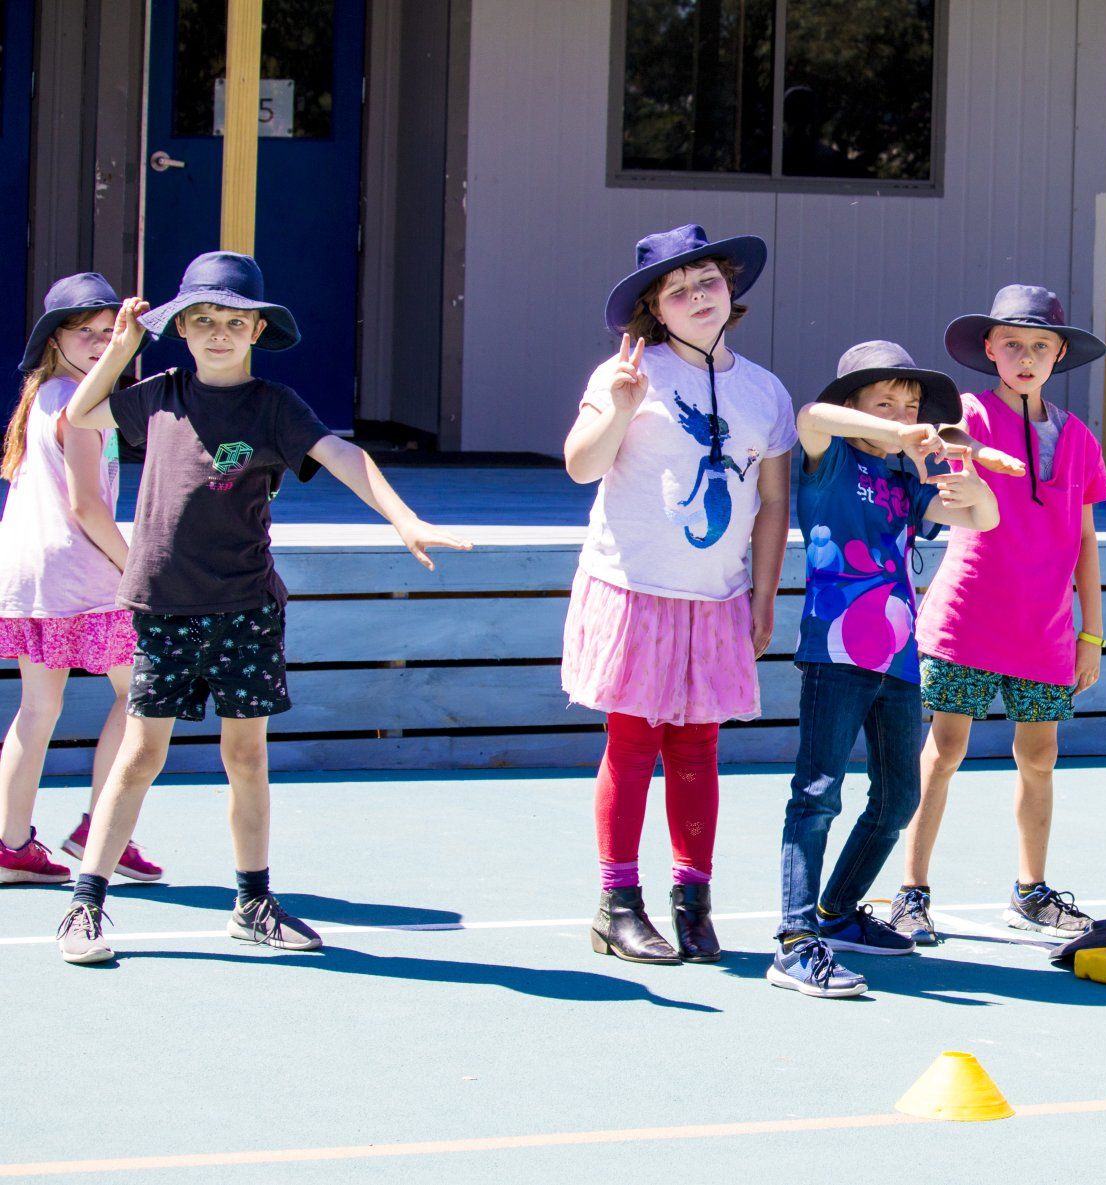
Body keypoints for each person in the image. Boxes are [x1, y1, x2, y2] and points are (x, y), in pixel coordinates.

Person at [53, 252, 470, 965]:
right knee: (141, 753)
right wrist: (122, 347)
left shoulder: (276, 407)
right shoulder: (159, 394)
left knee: (245, 755)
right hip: (163, 610)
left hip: (245, 613)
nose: (219, 332)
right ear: (182, 328)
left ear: (256, 331)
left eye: (234, 321)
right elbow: (80, 415)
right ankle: (85, 903)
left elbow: (344, 456)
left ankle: (252, 903)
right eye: (203, 320)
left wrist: (403, 518)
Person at [563, 224, 794, 966]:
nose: (698, 297)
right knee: (632, 745)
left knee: (698, 749)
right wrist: (619, 407)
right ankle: (617, 906)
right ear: (655, 309)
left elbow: (773, 501)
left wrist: (763, 594)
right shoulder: (626, 372)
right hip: (634, 588)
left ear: (731, 290)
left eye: (708, 282)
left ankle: (693, 905)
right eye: (677, 290)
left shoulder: (765, 391)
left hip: (718, 597)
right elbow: (580, 465)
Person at [770, 341, 1000, 998]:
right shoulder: (830, 461)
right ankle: (794, 941)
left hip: (899, 659)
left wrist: (975, 483)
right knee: (818, 792)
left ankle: (837, 912)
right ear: (855, 406)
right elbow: (811, 417)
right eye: (885, 403)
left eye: (910, 406)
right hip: (835, 652)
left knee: (899, 796)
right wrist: (902, 434)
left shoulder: (906, 483)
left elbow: (982, 518)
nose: (902, 416)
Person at [888, 285, 1106, 946]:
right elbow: (945, 438)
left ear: (1059, 355)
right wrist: (963, 447)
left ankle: (1030, 891)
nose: (1026, 357)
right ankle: (911, 892)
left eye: (1040, 345)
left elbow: (1086, 539)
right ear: (989, 349)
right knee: (945, 750)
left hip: (1046, 630)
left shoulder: (1080, 439)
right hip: (967, 620)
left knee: (1039, 756)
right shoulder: (969, 414)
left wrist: (1092, 633)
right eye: (1012, 344)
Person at [0, 274, 162, 886]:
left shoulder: (43, 396)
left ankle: (11, 846)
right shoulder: (83, 408)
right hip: (81, 576)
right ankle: (103, 832)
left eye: (106, 332)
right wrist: (137, 568)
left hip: (28, 578)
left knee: (37, 708)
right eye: (83, 332)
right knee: (140, 695)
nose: (98, 342)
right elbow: (87, 507)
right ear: (54, 340)